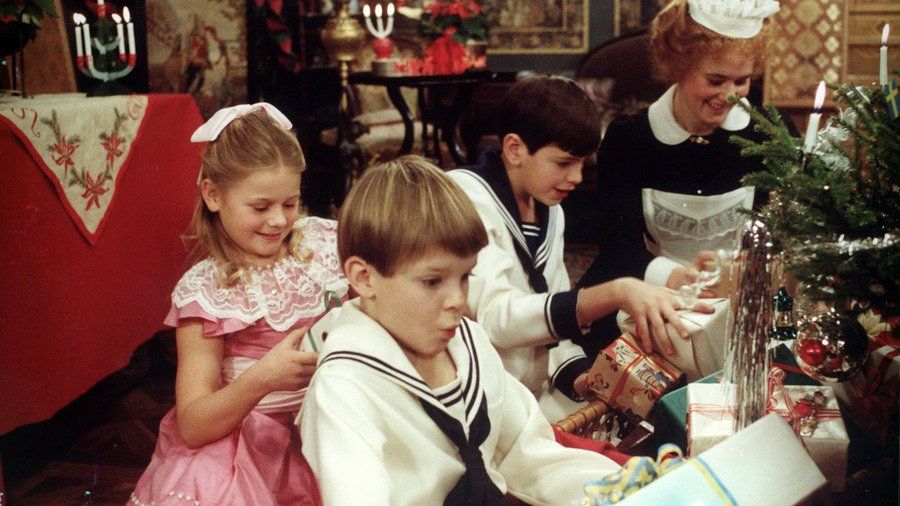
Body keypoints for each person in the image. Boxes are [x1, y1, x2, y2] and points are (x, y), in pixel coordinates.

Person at [299, 156, 621, 504]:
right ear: (364, 278)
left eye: (465, 276)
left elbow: (529, 455)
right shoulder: (344, 387)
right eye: (432, 281)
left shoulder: (470, 341)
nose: (457, 300)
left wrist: (623, 489)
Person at [448, 75, 708, 421]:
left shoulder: (551, 211)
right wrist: (617, 291)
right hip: (480, 398)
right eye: (564, 162)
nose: (577, 177)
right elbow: (498, 319)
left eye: (583, 163)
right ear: (515, 150)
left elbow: (552, 329)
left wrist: (582, 377)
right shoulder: (466, 199)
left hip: (532, 396)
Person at [131, 103, 348, 506]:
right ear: (213, 195)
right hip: (245, 446)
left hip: (333, 423)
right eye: (260, 207)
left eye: (290, 203)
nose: (280, 221)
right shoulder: (206, 291)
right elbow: (193, 425)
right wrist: (262, 379)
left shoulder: (322, 244)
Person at [578, 0, 782, 359]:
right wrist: (674, 278)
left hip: (742, 299)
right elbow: (616, 248)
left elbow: (778, 238)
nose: (731, 95)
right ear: (678, 67)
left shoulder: (767, 135)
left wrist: (734, 276)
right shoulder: (630, 140)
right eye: (715, 80)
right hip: (648, 293)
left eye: (742, 80)